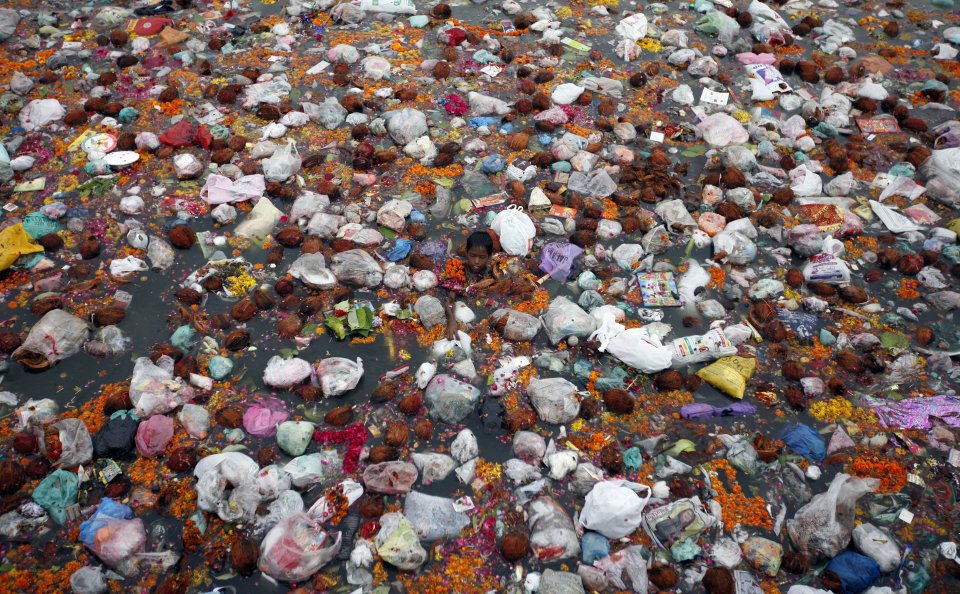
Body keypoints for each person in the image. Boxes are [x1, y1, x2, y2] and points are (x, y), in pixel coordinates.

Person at [444, 231, 495, 340]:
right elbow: (450, 298)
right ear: (466, 253)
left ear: (489, 256)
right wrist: (451, 320)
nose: (476, 261)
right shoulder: (459, 271)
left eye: (482, 257)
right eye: (472, 255)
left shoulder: (492, 272)